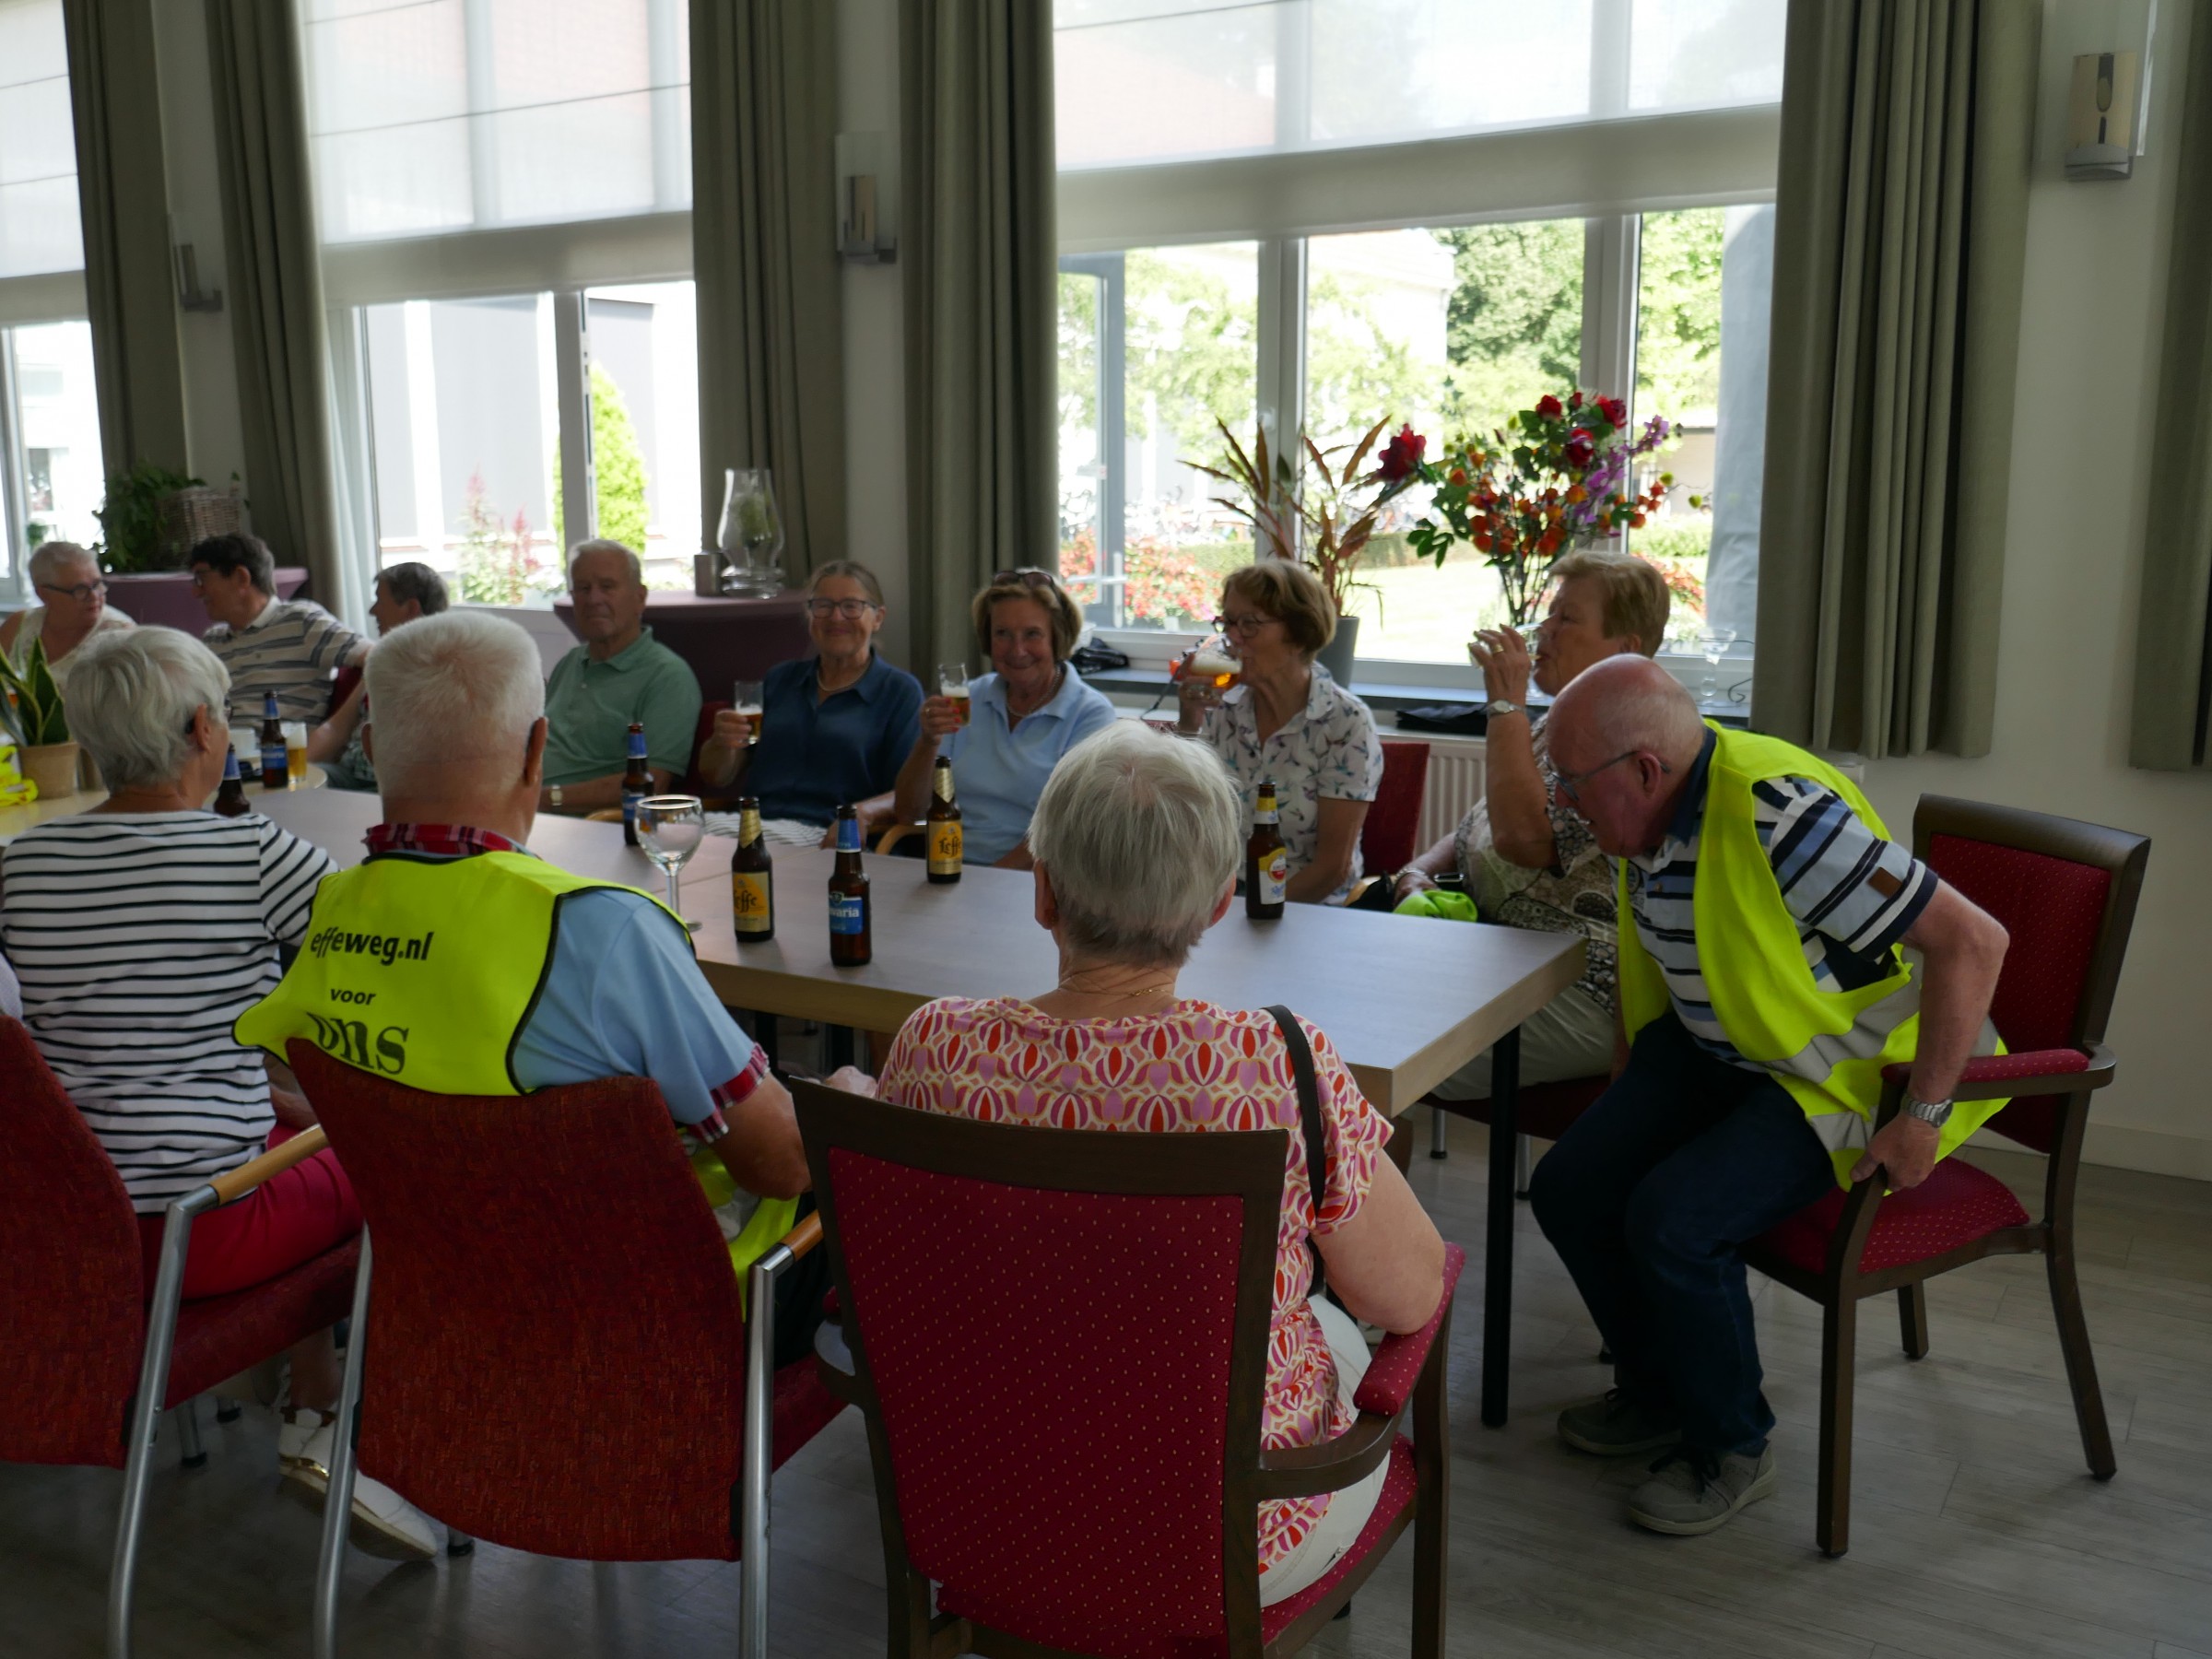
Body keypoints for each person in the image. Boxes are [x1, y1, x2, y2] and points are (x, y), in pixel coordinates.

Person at [856, 722, 1444, 1605]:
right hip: (1222, 1545)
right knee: (1331, 1322)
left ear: (1042, 891)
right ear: (1218, 903)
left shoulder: (932, 1045)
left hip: (979, 1513)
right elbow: (1411, 1297)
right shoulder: (1274, 1065)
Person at [1529, 655, 2009, 1537]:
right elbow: (1656, 954)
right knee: (1569, 1187)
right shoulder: (1650, 812)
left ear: (1644, 770)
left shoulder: (1781, 816)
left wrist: (1922, 1118)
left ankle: (1731, 1445)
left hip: (1837, 1071)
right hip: (1719, 1048)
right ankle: (1659, 1394)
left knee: (1674, 1222)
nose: (1562, 799)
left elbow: (1974, 942)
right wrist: (1627, 1080)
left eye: (1571, 780)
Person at [235, 608, 820, 1331]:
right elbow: (781, 1165)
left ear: (374, 748)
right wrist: (851, 1104)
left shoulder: (331, 912)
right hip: (654, 1318)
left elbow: (328, 1099)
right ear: (538, 747)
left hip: (443, 1315)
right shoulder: (600, 927)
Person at [0, 627, 434, 1559]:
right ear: (204, 729)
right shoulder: (248, 853)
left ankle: (308, 1392)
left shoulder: (22, 864)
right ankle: (349, 1435)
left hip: (67, 1234)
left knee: (291, 1129)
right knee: (404, 1175)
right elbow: (388, 952)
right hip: (202, 1232)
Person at [1390, 551, 1672, 1098]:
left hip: (1582, 986)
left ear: (1626, 648)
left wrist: (1505, 705)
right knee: (1352, 1007)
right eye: (1550, 613)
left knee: (1375, 1045)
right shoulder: (1561, 718)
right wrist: (1416, 872)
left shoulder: (1629, 736)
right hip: (1503, 959)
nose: (1544, 629)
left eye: (1567, 618)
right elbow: (1482, 823)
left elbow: (1523, 841)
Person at [1176, 561, 1381, 904]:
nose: (1233, 637)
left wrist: (1255, 913)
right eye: (1228, 622)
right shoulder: (1221, 708)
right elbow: (1180, 819)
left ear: (1298, 636)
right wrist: (1189, 718)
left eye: (1250, 624)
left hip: (1310, 906)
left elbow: (1332, 869)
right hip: (1221, 899)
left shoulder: (1345, 723)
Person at [882, 567, 1115, 867]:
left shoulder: (1089, 714)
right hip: (950, 870)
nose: (1017, 650)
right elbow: (908, 812)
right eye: (1002, 634)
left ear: (1057, 638)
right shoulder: (969, 698)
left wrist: (986, 882)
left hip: (1035, 880)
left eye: (1032, 634)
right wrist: (928, 742)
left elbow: (1067, 831)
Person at [696, 560, 922, 846]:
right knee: (660, 828)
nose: (836, 617)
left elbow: (911, 794)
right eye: (823, 606)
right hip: (754, 825)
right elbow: (718, 776)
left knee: (680, 839)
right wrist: (720, 742)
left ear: (878, 618)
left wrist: (862, 813)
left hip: (826, 833)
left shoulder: (899, 692)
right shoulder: (780, 679)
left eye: (851, 606)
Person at [538, 540, 703, 815]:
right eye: (583, 588)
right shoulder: (570, 662)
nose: (593, 600)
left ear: (640, 598)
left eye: (607, 587)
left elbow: (652, 785)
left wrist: (542, 799)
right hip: (526, 811)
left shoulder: (667, 676)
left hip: (589, 825)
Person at [191, 532, 370, 723]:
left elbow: (380, 657)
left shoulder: (302, 622)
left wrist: (337, 727)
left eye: (201, 579)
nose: (195, 592)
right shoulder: (212, 640)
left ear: (241, 577)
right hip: (221, 741)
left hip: (281, 741)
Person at [308, 561, 449, 792]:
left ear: (411, 608)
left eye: (380, 601)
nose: (373, 610)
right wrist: (292, 769)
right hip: (348, 775)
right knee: (299, 785)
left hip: (394, 785)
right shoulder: (381, 659)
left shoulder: (443, 667)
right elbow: (335, 729)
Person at [0, 541, 135, 688]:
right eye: (80, 589)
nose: (94, 596)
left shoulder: (120, 635)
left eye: (97, 584)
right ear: (44, 594)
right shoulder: (19, 624)